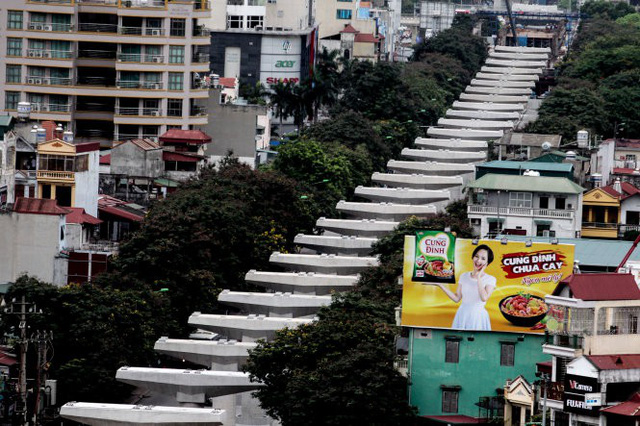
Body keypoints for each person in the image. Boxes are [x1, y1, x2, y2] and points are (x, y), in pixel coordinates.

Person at [434, 244, 497, 331]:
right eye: (476, 256)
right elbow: (457, 298)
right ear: (472, 257)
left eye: (483, 259)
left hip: (478, 317)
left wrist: (478, 277)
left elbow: (484, 298)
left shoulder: (490, 279)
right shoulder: (464, 276)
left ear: (487, 263)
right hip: (462, 314)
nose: (478, 260)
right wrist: (440, 285)